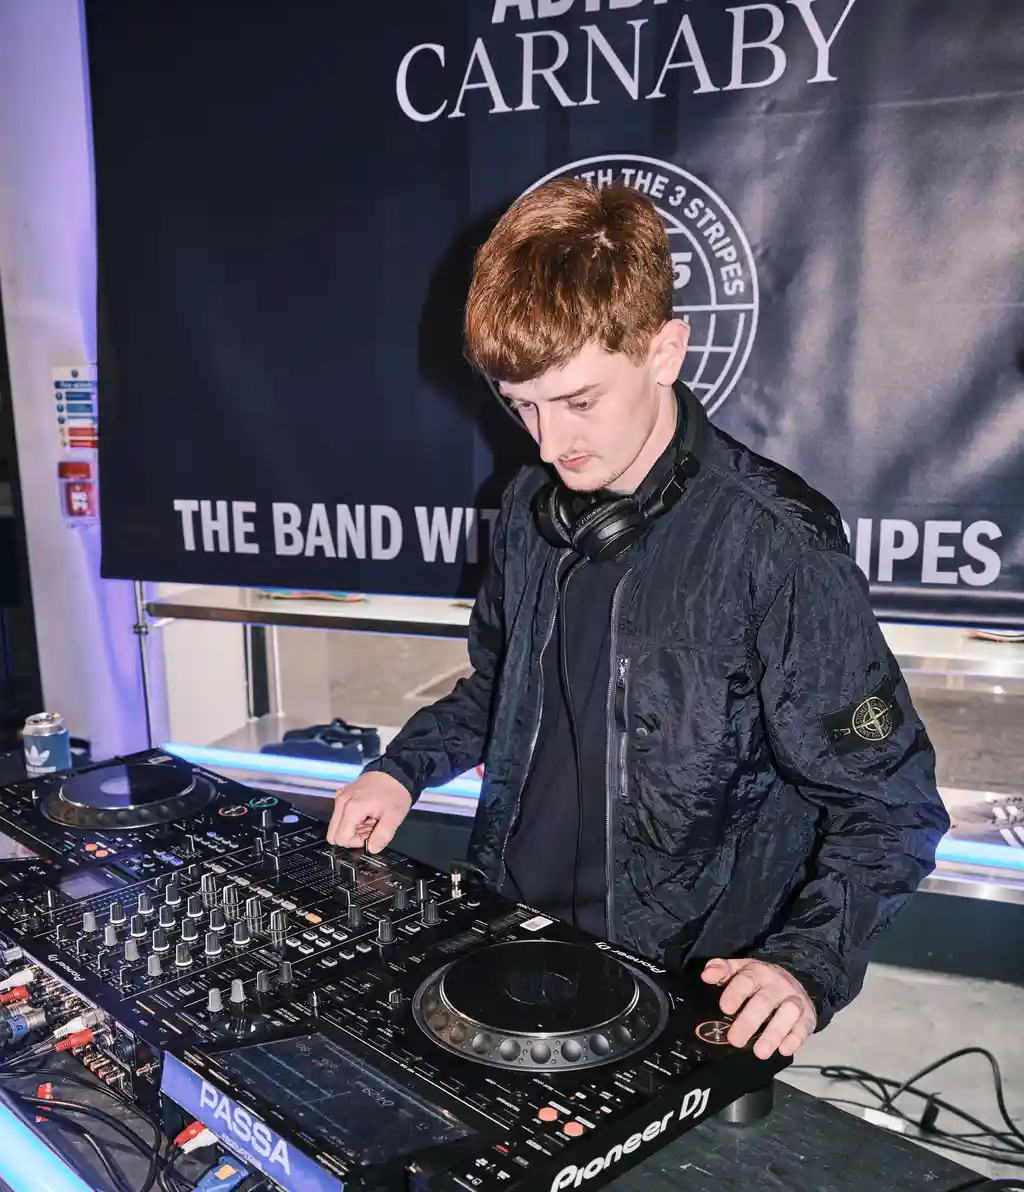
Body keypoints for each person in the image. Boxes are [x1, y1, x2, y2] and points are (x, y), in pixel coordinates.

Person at [328, 177, 949, 1062]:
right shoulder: (532, 506)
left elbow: (891, 805)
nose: (549, 443)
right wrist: (402, 771)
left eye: (579, 401)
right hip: (510, 923)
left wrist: (806, 964)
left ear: (665, 352)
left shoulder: (775, 546)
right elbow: (499, 690)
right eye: (521, 405)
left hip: (681, 976)